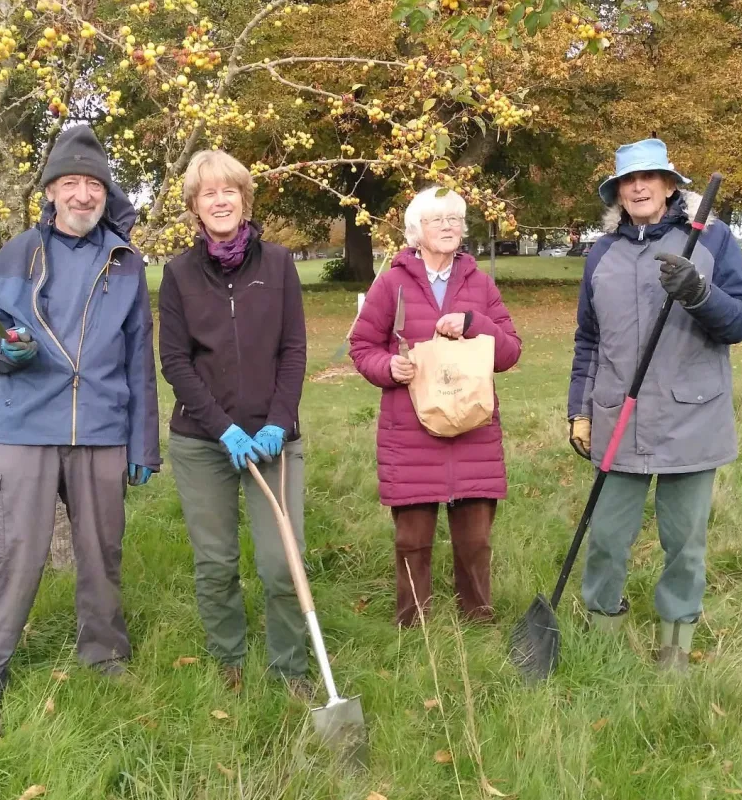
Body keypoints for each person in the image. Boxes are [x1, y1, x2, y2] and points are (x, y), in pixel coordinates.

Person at [0, 123, 161, 737]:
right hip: (24, 427)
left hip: (102, 428)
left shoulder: (125, 261)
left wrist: (143, 440)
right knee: (11, 556)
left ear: (105, 193)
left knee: (102, 555)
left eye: (92, 184)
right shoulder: (19, 253)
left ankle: (103, 657)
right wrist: (7, 354)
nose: (81, 194)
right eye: (69, 183)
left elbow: (138, 358)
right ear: (50, 192)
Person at [568, 138, 742, 670]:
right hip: (618, 418)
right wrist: (578, 410)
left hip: (692, 416)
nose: (638, 187)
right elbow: (589, 341)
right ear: (616, 192)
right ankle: (602, 633)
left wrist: (700, 292)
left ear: (669, 184)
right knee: (607, 537)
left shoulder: (712, 239)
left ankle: (674, 645)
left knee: (685, 544)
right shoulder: (602, 253)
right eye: (627, 181)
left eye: (649, 177)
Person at [158, 150, 310, 695]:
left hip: (273, 440)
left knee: (281, 563)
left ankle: (291, 667)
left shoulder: (279, 264)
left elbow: (293, 350)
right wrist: (222, 428)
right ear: (195, 208)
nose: (220, 201)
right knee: (217, 563)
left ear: (245, 201)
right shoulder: (178, 274)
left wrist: (277, 421)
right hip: (203, 442)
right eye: (208, 194)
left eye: (230, 192)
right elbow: (175, 361)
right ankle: (230, 661)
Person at [350, 186, 522, 626]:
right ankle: (413, 625)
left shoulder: (480, 284)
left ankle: (478, 619)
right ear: (416, 231)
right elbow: (362, 345)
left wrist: (475, 324)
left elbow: (508, 352)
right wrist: (389, 367)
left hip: (474, 432)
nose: (447, 226)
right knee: (412, 539)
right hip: (409, 433)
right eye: (436, 219)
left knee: (476, 540)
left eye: (455, 219)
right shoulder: (391, 284)